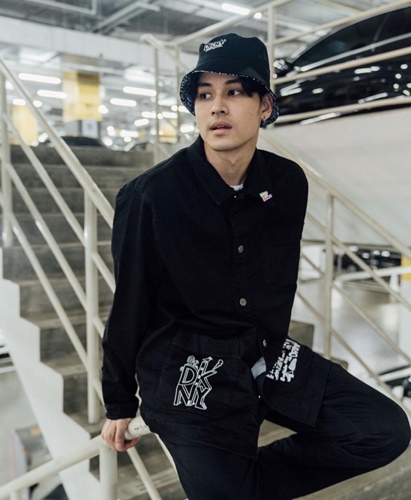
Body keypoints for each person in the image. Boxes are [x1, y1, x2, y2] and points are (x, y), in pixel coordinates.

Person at [101, 33, 410, 499]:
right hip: (188, 369)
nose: (217, 107)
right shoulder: (151, 195)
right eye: (205, 95)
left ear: (264, 106)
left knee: (383, 430)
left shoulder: (287, 182)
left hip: (263, 354)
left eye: (234, 92)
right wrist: (119, 400)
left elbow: (276, 283)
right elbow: (129, 304)